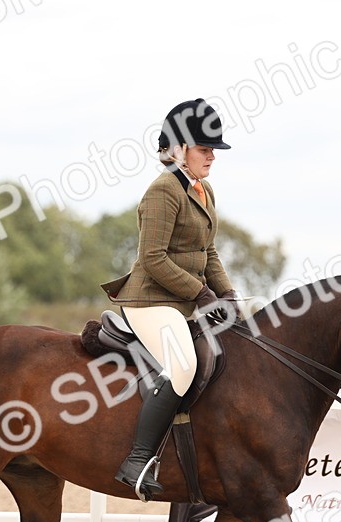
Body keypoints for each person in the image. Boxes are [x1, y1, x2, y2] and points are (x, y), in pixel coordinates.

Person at [100, 99, 241, 500]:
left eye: (213, 149)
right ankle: (137, 460)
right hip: (150, 301)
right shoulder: (163, 191)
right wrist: (201, 292)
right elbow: (153, 258)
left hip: (182, 301)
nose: (212, 156)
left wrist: (227, 293)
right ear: (178, 150)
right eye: (204, 149)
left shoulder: (203, 189)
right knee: (183, 364)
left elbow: (207, 252)